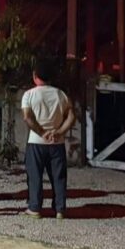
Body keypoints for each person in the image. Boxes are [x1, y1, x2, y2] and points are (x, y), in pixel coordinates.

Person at [20, 59, 76, 219]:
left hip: (36, 142)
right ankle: (60, 209)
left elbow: (27, 117)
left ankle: (35, 208)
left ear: (35, 76)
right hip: (57, 142)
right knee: (58, 176)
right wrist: (59, 131)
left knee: (35, 175)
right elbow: (71, 116)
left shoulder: (29, 94)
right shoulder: (61, 94)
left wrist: (41, 132)